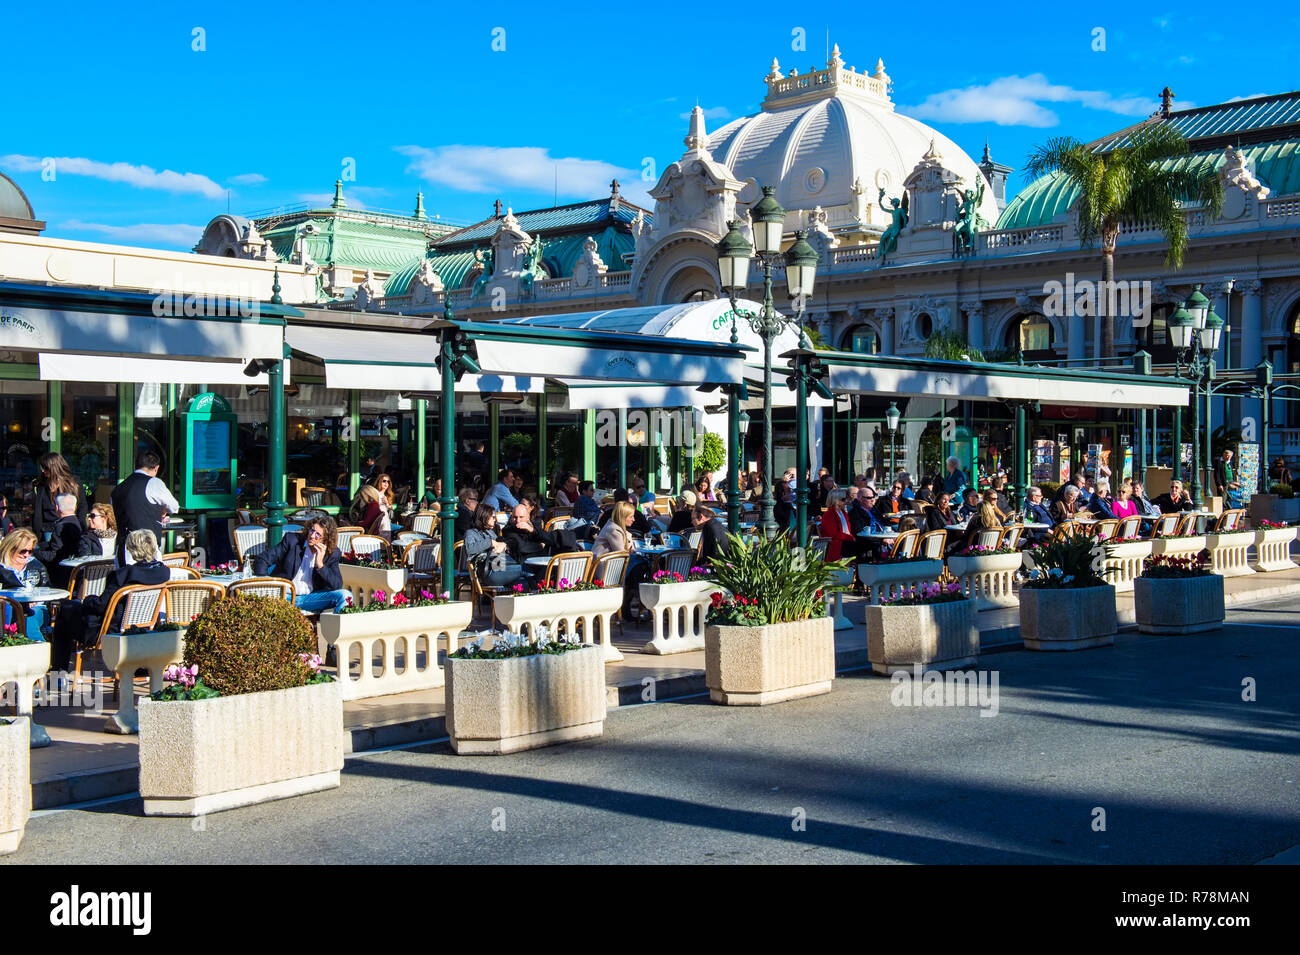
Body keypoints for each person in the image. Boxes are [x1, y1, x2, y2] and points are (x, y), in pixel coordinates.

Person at [49, 529, 170, 676]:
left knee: (65, 610)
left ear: (132, 549)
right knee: (71, 608)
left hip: (111, 630)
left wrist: (87, 600)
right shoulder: (163, 572)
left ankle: (58, 672)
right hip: (143, 628)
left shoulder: (124, 574)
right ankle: (139, 669)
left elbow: (100, 605)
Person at [252, 515, 348, 614]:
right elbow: (262, 559)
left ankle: (336, 628)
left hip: (310, 598)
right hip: (285, 595)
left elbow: (337, 585)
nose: (312, 535)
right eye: (312, 530)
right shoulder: (292, 541)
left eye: (318, 534)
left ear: (325, 539)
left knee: (345, 596)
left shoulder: (332, 553)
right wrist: (265, 585)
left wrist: (320, 565)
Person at [110, 451, 179, 566]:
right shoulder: (154, 482)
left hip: (122, 550)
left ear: (134, 466)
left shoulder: (118, 489)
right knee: (151, 582)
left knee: (125, 582)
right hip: (146, 549)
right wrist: (162, 511)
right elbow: (174, 507)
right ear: (156, 468)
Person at [0, 528, 51, 641]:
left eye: (30, 551)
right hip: (6, 610)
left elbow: (47, 590)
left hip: (36, 609)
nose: (26, 555)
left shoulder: (36, 565)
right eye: (23, 551)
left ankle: (39, 652)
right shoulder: (2, 567)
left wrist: (35, 600)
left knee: (28, 620)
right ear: (10, 548)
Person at [463, 502, 523, 588]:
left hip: (498, 567)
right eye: (493, 517)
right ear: (484, 517)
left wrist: (503, 545)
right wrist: (490, 543)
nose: (495, 520)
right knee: (522, 570)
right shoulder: (471, 533)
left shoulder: (490, 532)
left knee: (523, 580)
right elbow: (469, 549)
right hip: (486, 572)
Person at [32, 452, 88, 543]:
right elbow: (38, 513)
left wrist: (81, 526)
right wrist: (36, 536)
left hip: (70, 527)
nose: (43, 470)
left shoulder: (74, 483)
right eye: (42, 468)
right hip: (49, 530)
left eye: (46, 468)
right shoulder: (42, 485)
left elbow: (82, 506)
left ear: (54, 468)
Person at [34, 493, 82, 589]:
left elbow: (53, 556)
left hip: (60, 577)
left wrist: (33, 553)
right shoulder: (78, 524)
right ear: (75, 507)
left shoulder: (60, 526)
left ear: (57, 507)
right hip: (74, 573)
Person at [353, 473, 395, 541]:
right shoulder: (375, 496)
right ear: (379, 482)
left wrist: (387, 504)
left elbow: (389, 511)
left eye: (388, 481)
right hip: (381, 526)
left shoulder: (386, 496)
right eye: (384, 481)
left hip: (383, 526)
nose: (386, 483)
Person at [819, 489, 857, 561]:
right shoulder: (829, 514)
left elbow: (847, 530)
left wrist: (851, 538)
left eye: (846, 499)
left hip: (844, 542)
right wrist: (850, 538)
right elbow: (834, 534)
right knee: (862, 548)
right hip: (835, 544)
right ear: (835, 500)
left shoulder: (842, 512)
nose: (845, 501)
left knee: (866, 545)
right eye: (843, 499)